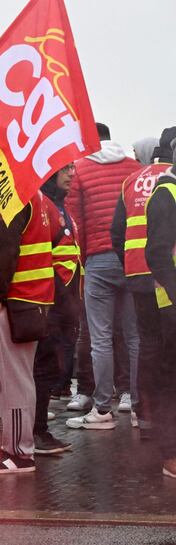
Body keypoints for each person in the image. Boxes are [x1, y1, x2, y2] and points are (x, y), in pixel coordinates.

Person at [0, 190, 55, 474]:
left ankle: (17, 452)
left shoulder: (9, 196)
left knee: (12, 382)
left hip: (11, 302)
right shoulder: (35, 196)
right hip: (28, 300)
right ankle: (13, 447)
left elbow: (4, 250)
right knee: (15, 379)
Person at [65, 123, 141, 430]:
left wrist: (81, 259)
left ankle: (102, 409)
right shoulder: (134, 166)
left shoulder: (80, 169)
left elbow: (74, 220)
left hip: (97, 258)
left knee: (100, 338)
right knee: (134, 336)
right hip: (132, 259)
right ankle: (138, 406)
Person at [110, 128, 175, 435]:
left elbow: (116, 231)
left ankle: (145, 414)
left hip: (138, 271)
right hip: (167, 274)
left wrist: (128, 260)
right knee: (167, 348)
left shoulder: (131, 180)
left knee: (146, 344)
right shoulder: (171, 182)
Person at [34, 165, 79, 455]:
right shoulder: (43, 205)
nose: (72, 174)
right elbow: (39, 257)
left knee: (51, 368)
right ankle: (36, 432)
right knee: (43, 368)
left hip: (62, 303)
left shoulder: (59, 205)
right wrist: (60, 298)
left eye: (73, 167)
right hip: (49, 303)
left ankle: (39, 430)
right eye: (65, 169)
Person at [144, 140, 176, 477]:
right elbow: (157, 253)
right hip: (172, 307)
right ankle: (171, 454)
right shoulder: (167, 194)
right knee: (172, 380)